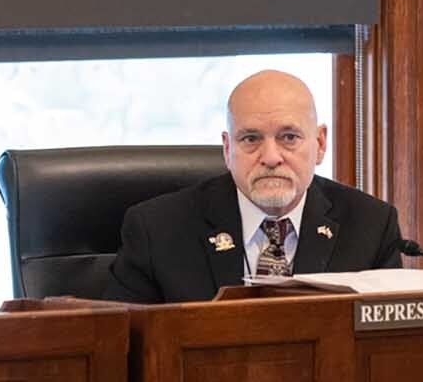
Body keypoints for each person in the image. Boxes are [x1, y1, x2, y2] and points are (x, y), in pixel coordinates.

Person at [105, 70, 404, 304]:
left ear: (320, 143)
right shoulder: (157, 230)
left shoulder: (371, 226)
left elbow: (387, 353)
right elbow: (120, 354)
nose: (271, 157)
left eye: (289, 137)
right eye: (251, 139)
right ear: (227, 148)